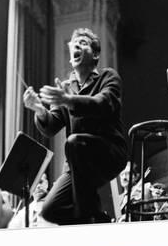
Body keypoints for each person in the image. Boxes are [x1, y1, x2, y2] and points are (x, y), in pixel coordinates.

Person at [23, 28, 127, 225]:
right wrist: (39, 110)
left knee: (74, 142)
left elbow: (103, 103)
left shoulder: (108, 77)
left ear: (95, 55)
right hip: (77, 161)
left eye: (83, 43)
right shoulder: (66, 88)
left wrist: (68, 100)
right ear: (70, 57)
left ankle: (91, 216)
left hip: (109, 153)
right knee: (50, 210)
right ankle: (97, 219)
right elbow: (51, 126)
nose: (77, 45)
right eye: (74, 43)